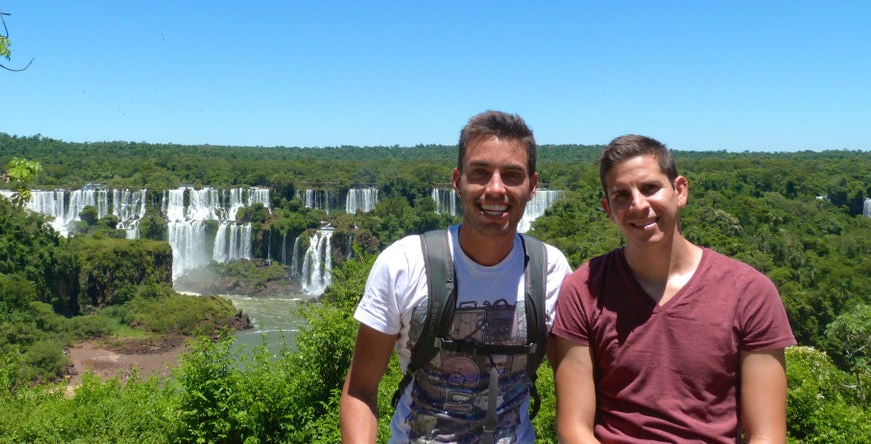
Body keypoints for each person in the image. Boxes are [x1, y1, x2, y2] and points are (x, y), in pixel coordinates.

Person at [340, 110, 571, 443]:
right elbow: (360, 388)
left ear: (532, 186)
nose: (495, 189)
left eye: (511, 175)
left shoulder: (550, 269)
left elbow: (577, 391)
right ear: (456, 180)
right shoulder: (403, 263)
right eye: (479, 172)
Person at [552, 134, 796, 443]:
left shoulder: (750, 293)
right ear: (608, 208)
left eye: (650, 188)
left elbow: (767, 434)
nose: (638, 205)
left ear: (680, 190)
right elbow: (573, 429)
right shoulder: (583, 290)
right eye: (621, 195)